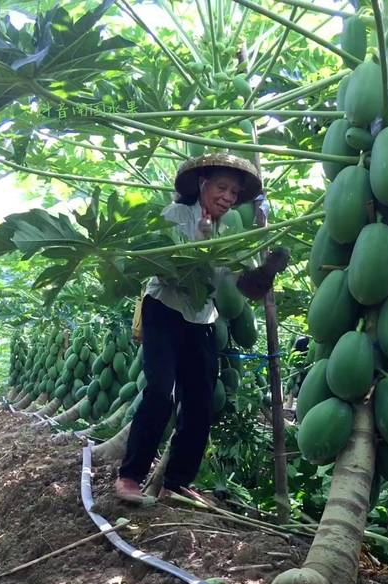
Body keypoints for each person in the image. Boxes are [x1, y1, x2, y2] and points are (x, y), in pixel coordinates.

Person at [115, 152, 289, 504]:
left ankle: (175, 482)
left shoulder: (232, 229)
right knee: (161, 391)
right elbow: (160, 266)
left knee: (199, 401)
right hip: (164, 308)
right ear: (202, 184)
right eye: (221, 188)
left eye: (234, 193)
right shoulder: (175, 215)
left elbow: (241, 290)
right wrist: (199, 243)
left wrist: (268, 270)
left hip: (201, 319)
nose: (227, 197)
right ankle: (130, 476)